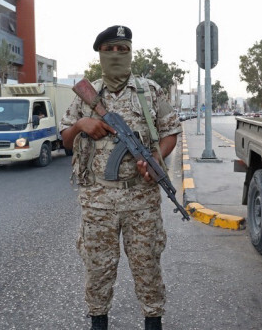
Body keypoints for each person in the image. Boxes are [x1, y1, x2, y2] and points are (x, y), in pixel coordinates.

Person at [59, 25, 181, 330]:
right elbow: (64, 139)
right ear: (100, 54)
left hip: (142, 200)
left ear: (130, 53)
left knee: (147, 267)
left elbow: (170, 133)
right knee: (98, 270)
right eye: (110, 49)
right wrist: (82, 125)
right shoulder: (87, 94)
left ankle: (153, 321)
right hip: (98, 201)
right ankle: (98, 322)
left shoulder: (149, 91)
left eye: (122, 49)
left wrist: (155, 158)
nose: (116, 54)